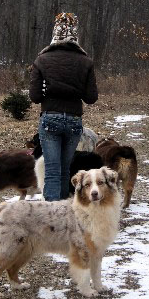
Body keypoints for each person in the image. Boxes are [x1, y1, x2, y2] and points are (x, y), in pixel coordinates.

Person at [29, 12, 98, 201]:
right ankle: (64, 211)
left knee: (52, 170)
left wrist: (49, 90)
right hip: (74, 120)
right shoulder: (85, 62)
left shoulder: (42, 60)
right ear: (75, 34)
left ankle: (51, 213)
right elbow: (91, 97)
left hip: (50, 118)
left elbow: (35, 96)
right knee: (65, 169)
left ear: (55, 33)